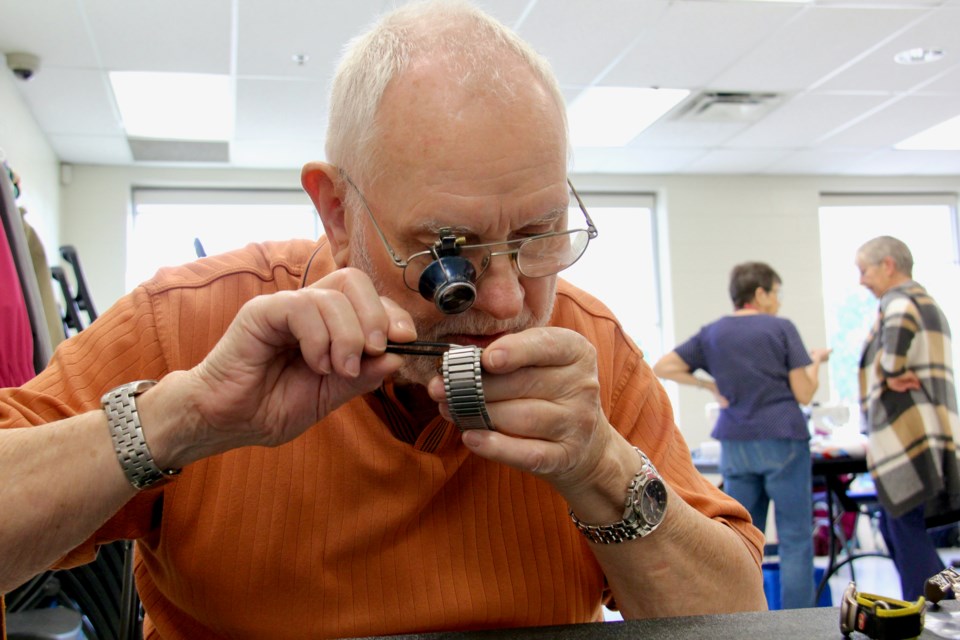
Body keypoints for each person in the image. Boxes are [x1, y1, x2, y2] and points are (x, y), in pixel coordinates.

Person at [0, 2, 767, 637]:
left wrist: (599, 466)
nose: (503, 303)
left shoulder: (588, 347)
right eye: (447, 250)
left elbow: (738, 618)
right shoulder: (189, 322)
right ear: (337, 211)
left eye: (537, 238)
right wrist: (184, 417)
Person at [653, 262, 830, 609]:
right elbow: (804, 393)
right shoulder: (780, 328)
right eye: (776, 293)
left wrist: (708, 383)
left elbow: (664, 366)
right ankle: (801, 627)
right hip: (783, 439)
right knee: (795, 538)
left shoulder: (713, 332)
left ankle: (747, 617)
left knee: (745, 539)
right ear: (760, 293)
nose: (778, 302)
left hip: (735, 443)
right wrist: (816, 363)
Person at [856, 235, 960, 601]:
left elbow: (891, 357)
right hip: (928, 430)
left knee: (903, 523)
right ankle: (927, 603)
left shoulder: (899, 301)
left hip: (909, 433)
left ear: (888, 265)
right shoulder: (925, 300)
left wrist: (889, 370)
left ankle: (938, 604)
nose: (861, 280)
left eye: (864, 270)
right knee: (893, 522)